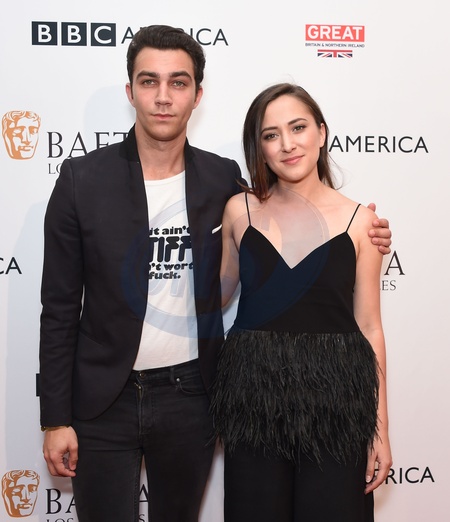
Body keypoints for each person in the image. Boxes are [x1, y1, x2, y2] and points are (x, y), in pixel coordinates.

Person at [39, 26, 392, 522]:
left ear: (197, 95)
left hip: (192, 396)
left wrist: (365, 237)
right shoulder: (83, 180)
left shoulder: (221, 179)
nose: (163, 97)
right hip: (104, 401)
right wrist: (55, 417)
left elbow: (285, 235)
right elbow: (58, 310)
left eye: (178, 82)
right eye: (149, 81)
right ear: (130, 91)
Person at [211, 83, 392, 522]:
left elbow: (370, 326)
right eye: (271, 135)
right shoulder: (238, 210)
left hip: (338, 398)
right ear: (260, 148)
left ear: (321, 133)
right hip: (253, 396)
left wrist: (380, 429)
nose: (287, 144)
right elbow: (216, 296)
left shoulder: (361, 222)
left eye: (298, 128)